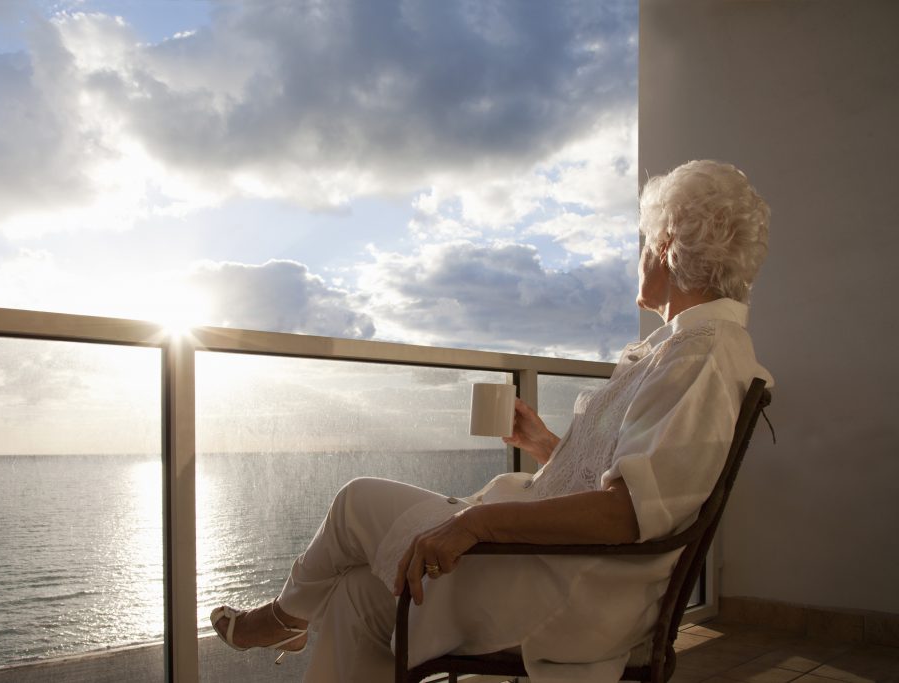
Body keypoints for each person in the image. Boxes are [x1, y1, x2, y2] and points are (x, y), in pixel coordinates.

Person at [210, 159, 773, 682]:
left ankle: (282, 617)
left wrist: (479, 525)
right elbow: (635, 480)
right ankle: (293, 614)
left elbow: (628, 512)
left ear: (668, 244)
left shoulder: (698, 354)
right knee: (354, 596)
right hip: (556, 570)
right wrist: (548, 445)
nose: (641, 255)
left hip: (562, 591)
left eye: (644, 243)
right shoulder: (687, 349)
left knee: (355, 500)